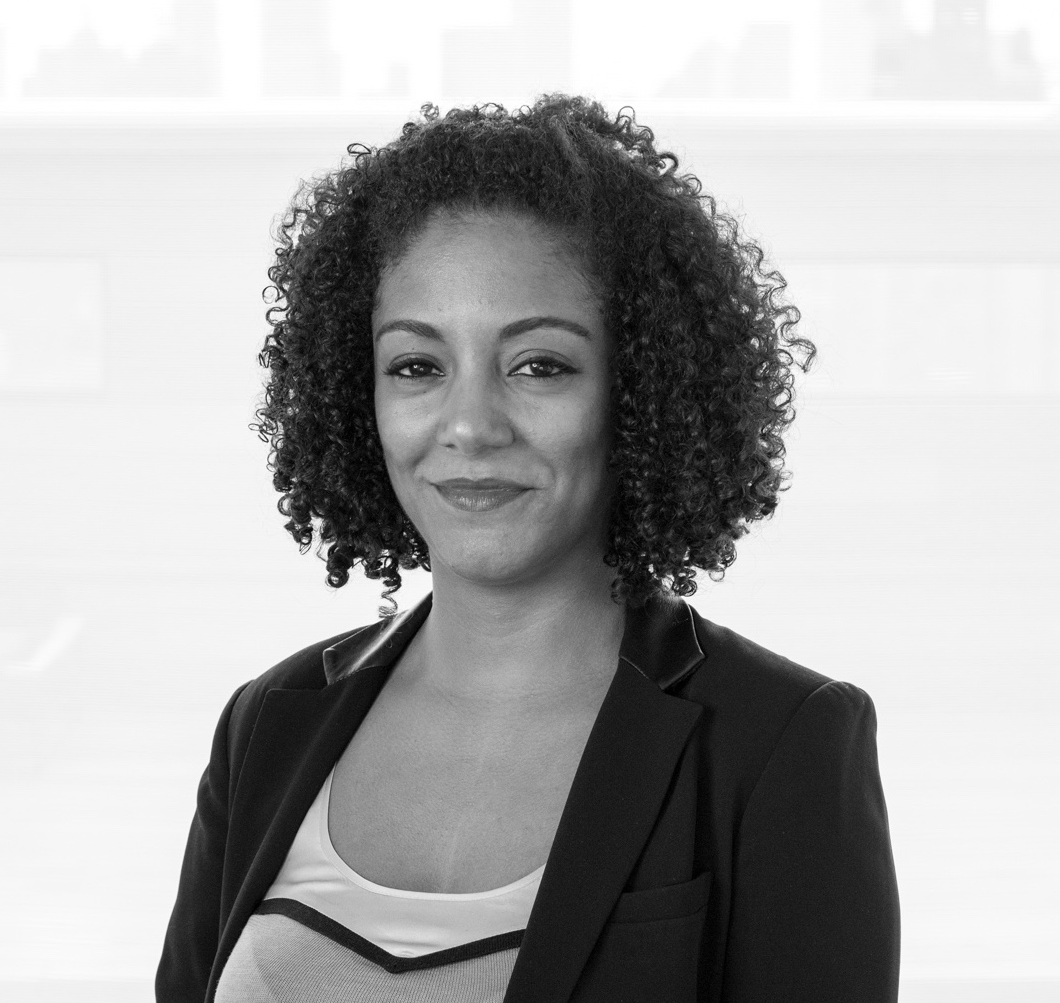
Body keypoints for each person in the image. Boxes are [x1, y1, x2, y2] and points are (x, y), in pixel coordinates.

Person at [156, 95, 900, 1002]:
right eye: (417, 366)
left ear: (642, 387)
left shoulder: (779, 742)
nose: (471, 425)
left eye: (539, 365)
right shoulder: (269, 722)